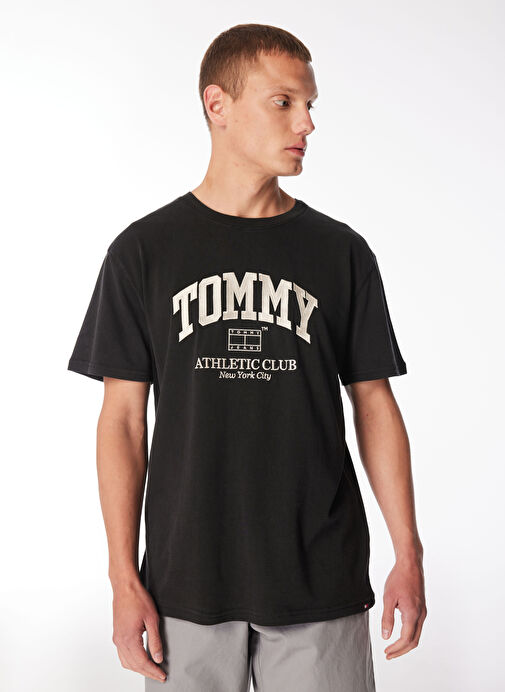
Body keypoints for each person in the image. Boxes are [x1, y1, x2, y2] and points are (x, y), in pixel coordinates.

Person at [67, 22, 426, 691]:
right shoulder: (143, 252)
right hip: (185, 583)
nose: (307, 123)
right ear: (218, 105)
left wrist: (408, 552)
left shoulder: (340, 252)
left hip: (319, 579)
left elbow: (374, 403)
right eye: (284, 101)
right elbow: (122, 420)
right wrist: (122, 576)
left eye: (309, 104)